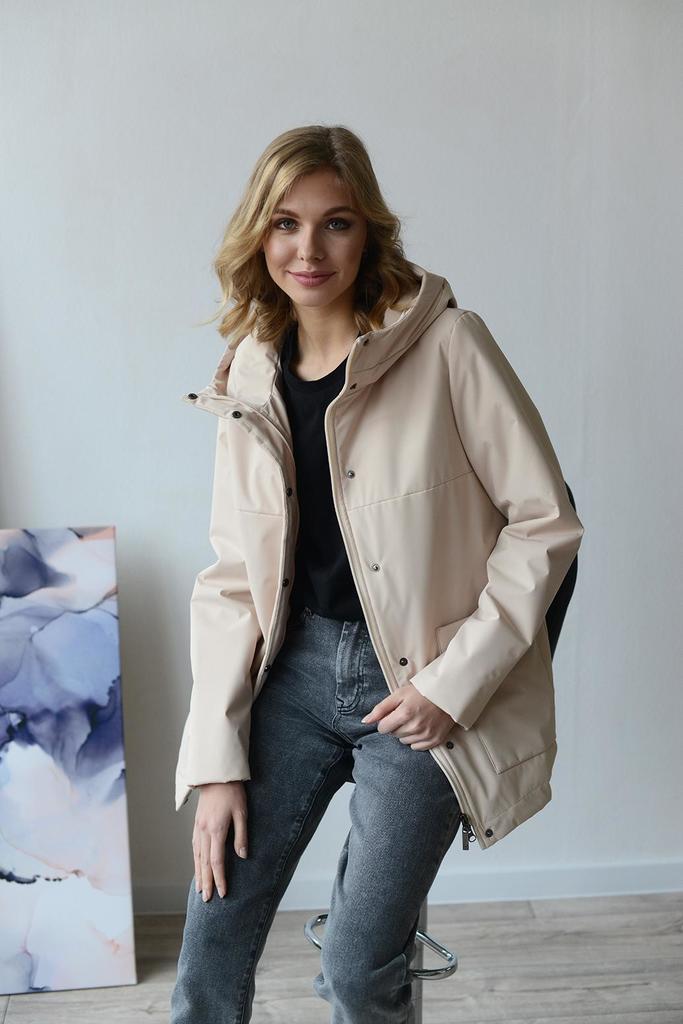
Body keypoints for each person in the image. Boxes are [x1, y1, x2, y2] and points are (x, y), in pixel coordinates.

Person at [169, 124, 585, 1024]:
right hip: (289, 677)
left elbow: (545, 523)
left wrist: (451, 686)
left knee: (359, 970)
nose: (308, 250)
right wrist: (215, 763)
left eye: (336, 223)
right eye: (284, 223)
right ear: (257, 234)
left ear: (370, 233)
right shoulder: (248, 373)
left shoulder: (448, 346)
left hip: (417, 681)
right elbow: (234, 578)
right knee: (209, 944)